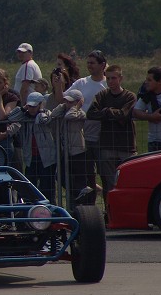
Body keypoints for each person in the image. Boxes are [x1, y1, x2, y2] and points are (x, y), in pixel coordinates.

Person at [86, 65, 137, 204]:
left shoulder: (129, 96)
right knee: (108, 184)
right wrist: (111, 113)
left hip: (126, 146)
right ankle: (110, 211)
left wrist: (106, 111)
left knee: (128, 182)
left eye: (113, 78)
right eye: (108, 78)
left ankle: (127, 209)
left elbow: (123, 115)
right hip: (106, 145)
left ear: (121, 78)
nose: (110, 81)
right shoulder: (102, 95)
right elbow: (91, 113)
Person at [67, 50, 108, 191]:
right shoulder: (81, 83)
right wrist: (58, 85)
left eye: (92, 63)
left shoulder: (108, 83)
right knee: (88, 172)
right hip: (84, 134)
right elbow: (63, 99)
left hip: (103, 134)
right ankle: (90, 200)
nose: (89, 65)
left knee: (105, 172)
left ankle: (107, 200)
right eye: (88, 63)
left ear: (102, 65)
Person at [7, 92, 56, 202]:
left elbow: (43, 120)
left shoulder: (46, 113)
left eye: (34, 106)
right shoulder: (23, 115)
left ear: (40, 104)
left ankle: (51, 208)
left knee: (47, 187)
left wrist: (41, 110)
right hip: (30, 159)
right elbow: (10, 118)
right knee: (30, 187)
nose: (31, 109)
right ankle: (31, 208)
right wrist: (23, 109)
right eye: (29, 106)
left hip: (46, 159)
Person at [47, 89, 88, 203]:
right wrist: (63, 105)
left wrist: (77, 107)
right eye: (66, 101)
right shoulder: (64, 111)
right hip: (65, 151)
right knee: (60, 176)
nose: (67, 104)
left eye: (70, 102)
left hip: (78, 151)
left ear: (78, 102)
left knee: (79, 178)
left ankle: (81, 198)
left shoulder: (80, 113)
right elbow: (53, 114)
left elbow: (69, 116)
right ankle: (77, 193)